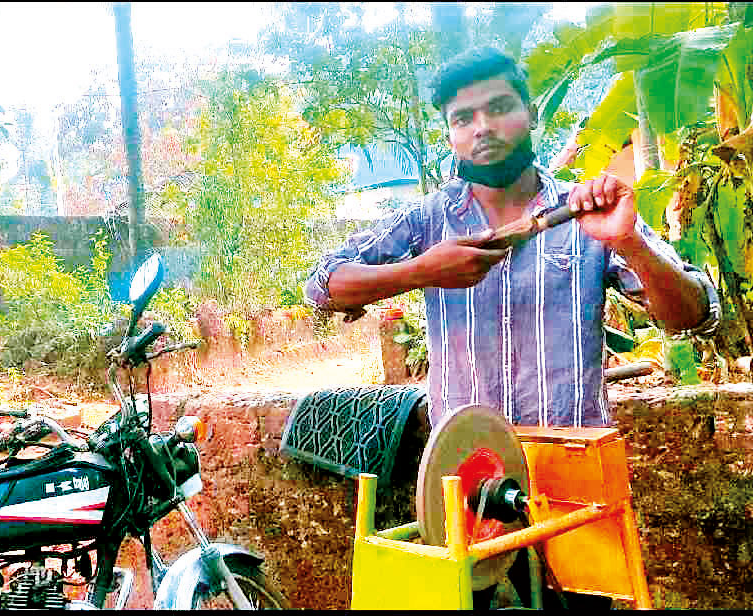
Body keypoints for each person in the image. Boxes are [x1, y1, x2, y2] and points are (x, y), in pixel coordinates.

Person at [304, 47, 720, 608]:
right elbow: (321, 285)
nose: (482, 128)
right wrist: (422, 271)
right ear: (450, 134)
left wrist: (629, 242)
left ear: (531, 113)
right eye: (463, 118)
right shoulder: (427, 221)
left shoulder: (584, 210)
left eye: (499, 108)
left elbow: (695, 314)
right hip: (465, 480)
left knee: (580, 605)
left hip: (571, 475)